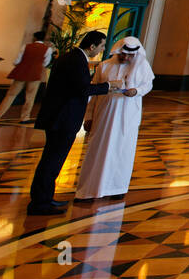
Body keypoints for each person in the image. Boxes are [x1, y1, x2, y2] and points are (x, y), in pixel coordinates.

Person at [27, 30, 114, 215]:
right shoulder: (76, 61)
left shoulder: (71, 57)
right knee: (52, 161)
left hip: (59, 116)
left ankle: (44, 198)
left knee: (51, 160)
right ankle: (40, 203)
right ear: (92, 46)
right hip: (62, 118)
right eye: (101, 46)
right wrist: (108, 86)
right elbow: (81, 89)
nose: (102, 49)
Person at [74, 37, 154, 202]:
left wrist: (136, 91)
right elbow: (92, 93)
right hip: (103, 115)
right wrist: (88, 116)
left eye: (130, 56)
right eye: (123, 54)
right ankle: (88, 190)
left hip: (127, 117)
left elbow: (148, 85)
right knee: (96, 151)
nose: (126, 58)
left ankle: (117, 187)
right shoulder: (104, 66)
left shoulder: (142, 66)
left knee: (122, 152)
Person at [0, 31, 53, 125]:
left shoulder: (25, 46)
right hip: (35, 74)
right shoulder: (48, 49)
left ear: (34, 38)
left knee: (10, 95)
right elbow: (46, 63)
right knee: (30, 97)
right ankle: (24, 118)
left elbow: (17, 60)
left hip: (21, 73)